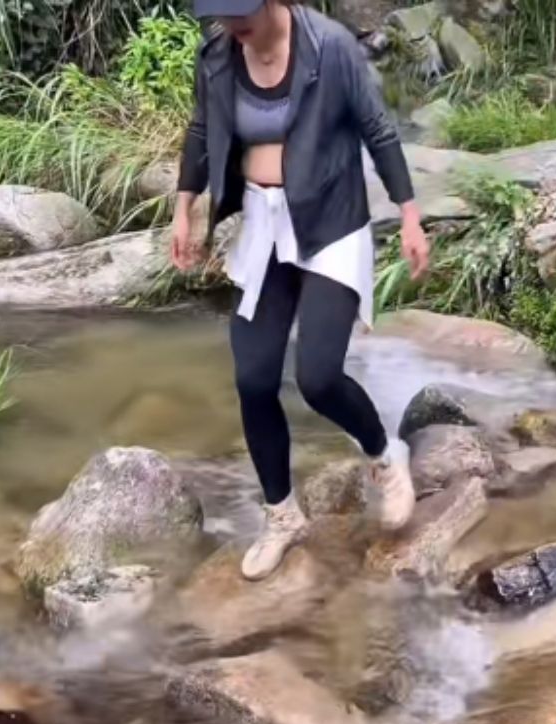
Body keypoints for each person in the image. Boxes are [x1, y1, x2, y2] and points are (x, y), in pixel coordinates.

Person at [171, 0, 432, 581]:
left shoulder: (330, 46)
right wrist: (182, 207)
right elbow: (200, 128)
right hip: (264, 225)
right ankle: (282, 515)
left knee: (317, 376)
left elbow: (378, 129)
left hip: (330, 223)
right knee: (254, 378)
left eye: (239, 14)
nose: (229, 27)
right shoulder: (217, 54)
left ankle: (386, 456)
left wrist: (410, 216)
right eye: (218, 16)